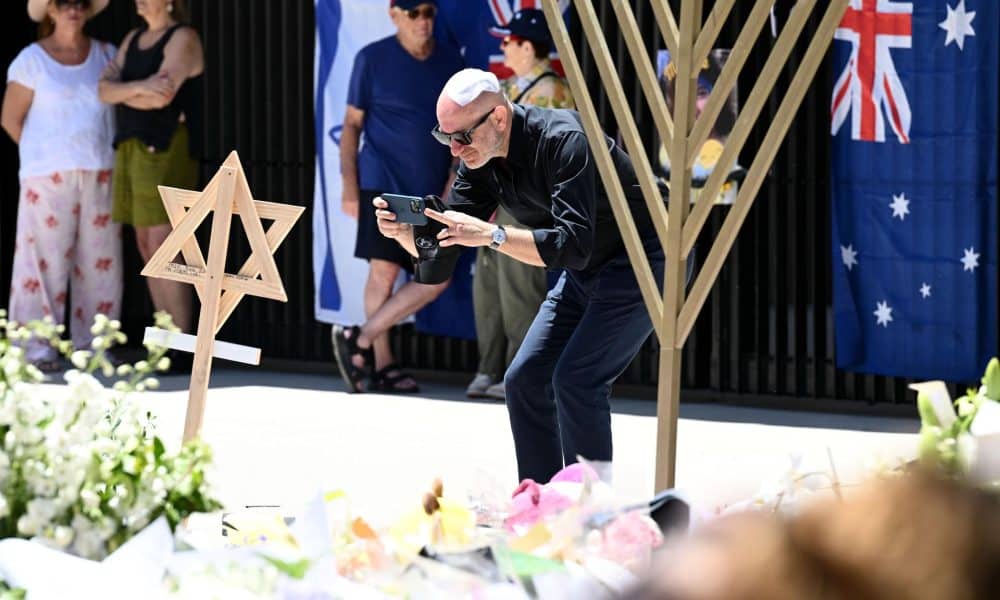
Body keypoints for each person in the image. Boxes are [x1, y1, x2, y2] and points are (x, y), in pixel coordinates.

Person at [373, 68, 674, 484]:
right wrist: (408, 236)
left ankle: (591, 511)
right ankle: (542, 504)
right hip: (586, 267)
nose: (456, 151)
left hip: (642, 256)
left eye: (462, 137)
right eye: (445, 139)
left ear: (498, 118)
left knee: (576, 380)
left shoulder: (566, 140)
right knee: (525, 379)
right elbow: (444, 252)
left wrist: (493, 235)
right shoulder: (478, 159)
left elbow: (571, 245)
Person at [330, 0, 464, 394]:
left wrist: (452, 185)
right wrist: (350, 186)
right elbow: (352, 126)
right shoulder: (372, 58)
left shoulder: (451, 62)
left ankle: (361, 338)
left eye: (428, 12)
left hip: (432, 191)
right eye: (413, 13)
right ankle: (382, 364)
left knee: (434, 275)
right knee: (384, 271)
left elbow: (460, 132)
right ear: (393, 14)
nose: (423, 21)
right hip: (382, 184)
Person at [1, 0, 120, 371]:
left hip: (100, 170)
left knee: (101, 264)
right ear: (50, 10)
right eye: (64, 2)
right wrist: (46, 153)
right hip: (46, 175)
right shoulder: (31, 60)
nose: (74, 9)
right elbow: (10, 119)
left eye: (81, 2)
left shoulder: (107, 55)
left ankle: (95, 347)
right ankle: (35, 349)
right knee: (42, 263)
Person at [466, 8, 576, 401]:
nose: (504, 47)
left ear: (528, 47)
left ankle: (517, 368)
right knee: (489, 285)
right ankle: (487, 366)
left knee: (517, 285)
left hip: (526, 198)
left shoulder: (554, 90)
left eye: (510, 41)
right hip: (499, 193)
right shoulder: (510, 89)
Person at [98, 0, 203, 346]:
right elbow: (102, 89)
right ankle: (164, 340)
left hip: (165, 147)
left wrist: (124, 91)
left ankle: (181, 342)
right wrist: (141, 87)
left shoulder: (182, 37)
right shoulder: (133, 37)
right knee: (145, 243)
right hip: (131, 148)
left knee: (165, 242)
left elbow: (163, 96)